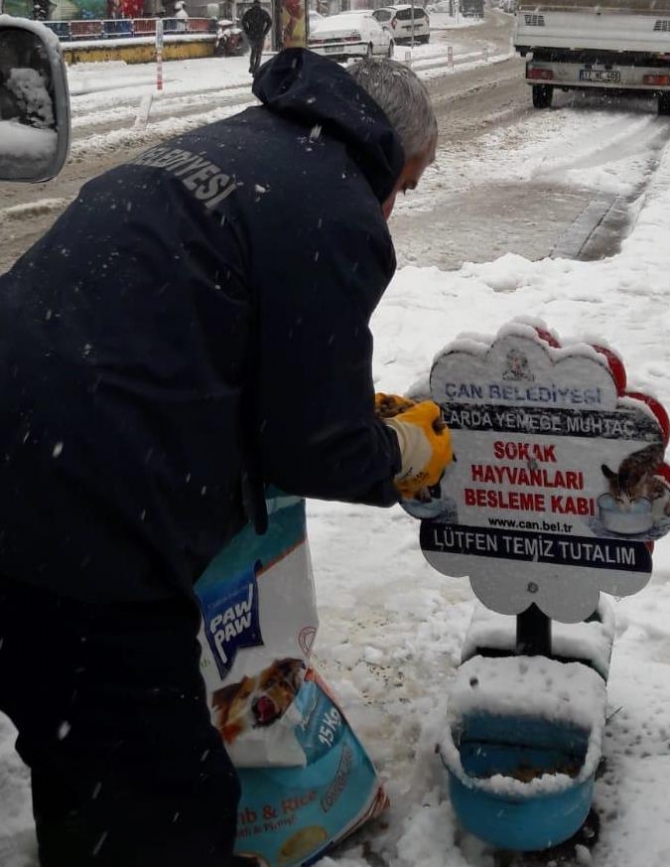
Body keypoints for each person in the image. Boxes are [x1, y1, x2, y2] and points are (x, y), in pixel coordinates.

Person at [0, 48, 448, 867]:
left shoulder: (235, 144)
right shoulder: (334, 206)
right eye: (407, 186)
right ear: (388, 151)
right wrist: (400, 450)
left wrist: (345, 411)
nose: (392, 210)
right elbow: (316, 448)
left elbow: (197, 335)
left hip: (25, 458)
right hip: (82, 511)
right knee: (164, 793)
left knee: (76, 738)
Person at [241, 0, 272, 75]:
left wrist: (247, 30)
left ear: (253, 4)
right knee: (258, 53)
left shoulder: (249, 12)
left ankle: (252, 65)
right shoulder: (263, 12)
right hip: (260, 35)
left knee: (253, 51)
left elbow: (243, 21)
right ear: (259, 4)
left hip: (252, 35)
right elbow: (270, 22)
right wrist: (265, 32)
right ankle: (256, 68)